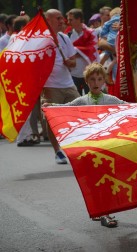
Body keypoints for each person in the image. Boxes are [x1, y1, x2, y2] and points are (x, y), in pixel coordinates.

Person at [43, 62, 129, 227]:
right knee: (94, 181)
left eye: (99, 79)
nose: (96, 83)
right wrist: (51, 106)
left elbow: (128, 108)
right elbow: (65, 108)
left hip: (106, 146)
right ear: (87, 82)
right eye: (92, 79)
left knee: (107, 180)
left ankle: (105, 213)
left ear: (104, 81)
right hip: (89, 147)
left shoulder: (110, 99)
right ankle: (99, 210)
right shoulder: (82, 100)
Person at [42, 9, 80, 164]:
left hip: (68, 84)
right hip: (51, 87)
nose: (62, 20)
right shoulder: (41, 40)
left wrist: (69, 63)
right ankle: (58, 151)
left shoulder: (64, 38)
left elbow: (73, 62)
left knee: (80, 114)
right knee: (52, 119)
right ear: (48, 20)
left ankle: (76, 146)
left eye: (62, 18)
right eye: (58, 18)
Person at [66, 8, 99, 95]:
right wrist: (78, 52)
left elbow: (92, 49)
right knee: (76, 100)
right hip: (74, 73)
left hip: (88, 73)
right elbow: (67, 52)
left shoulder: (91, 33)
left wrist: (75, 52)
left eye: (71, 20)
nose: (68, 22)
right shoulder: (68, 35)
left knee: (91, 99)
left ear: (79, 19)